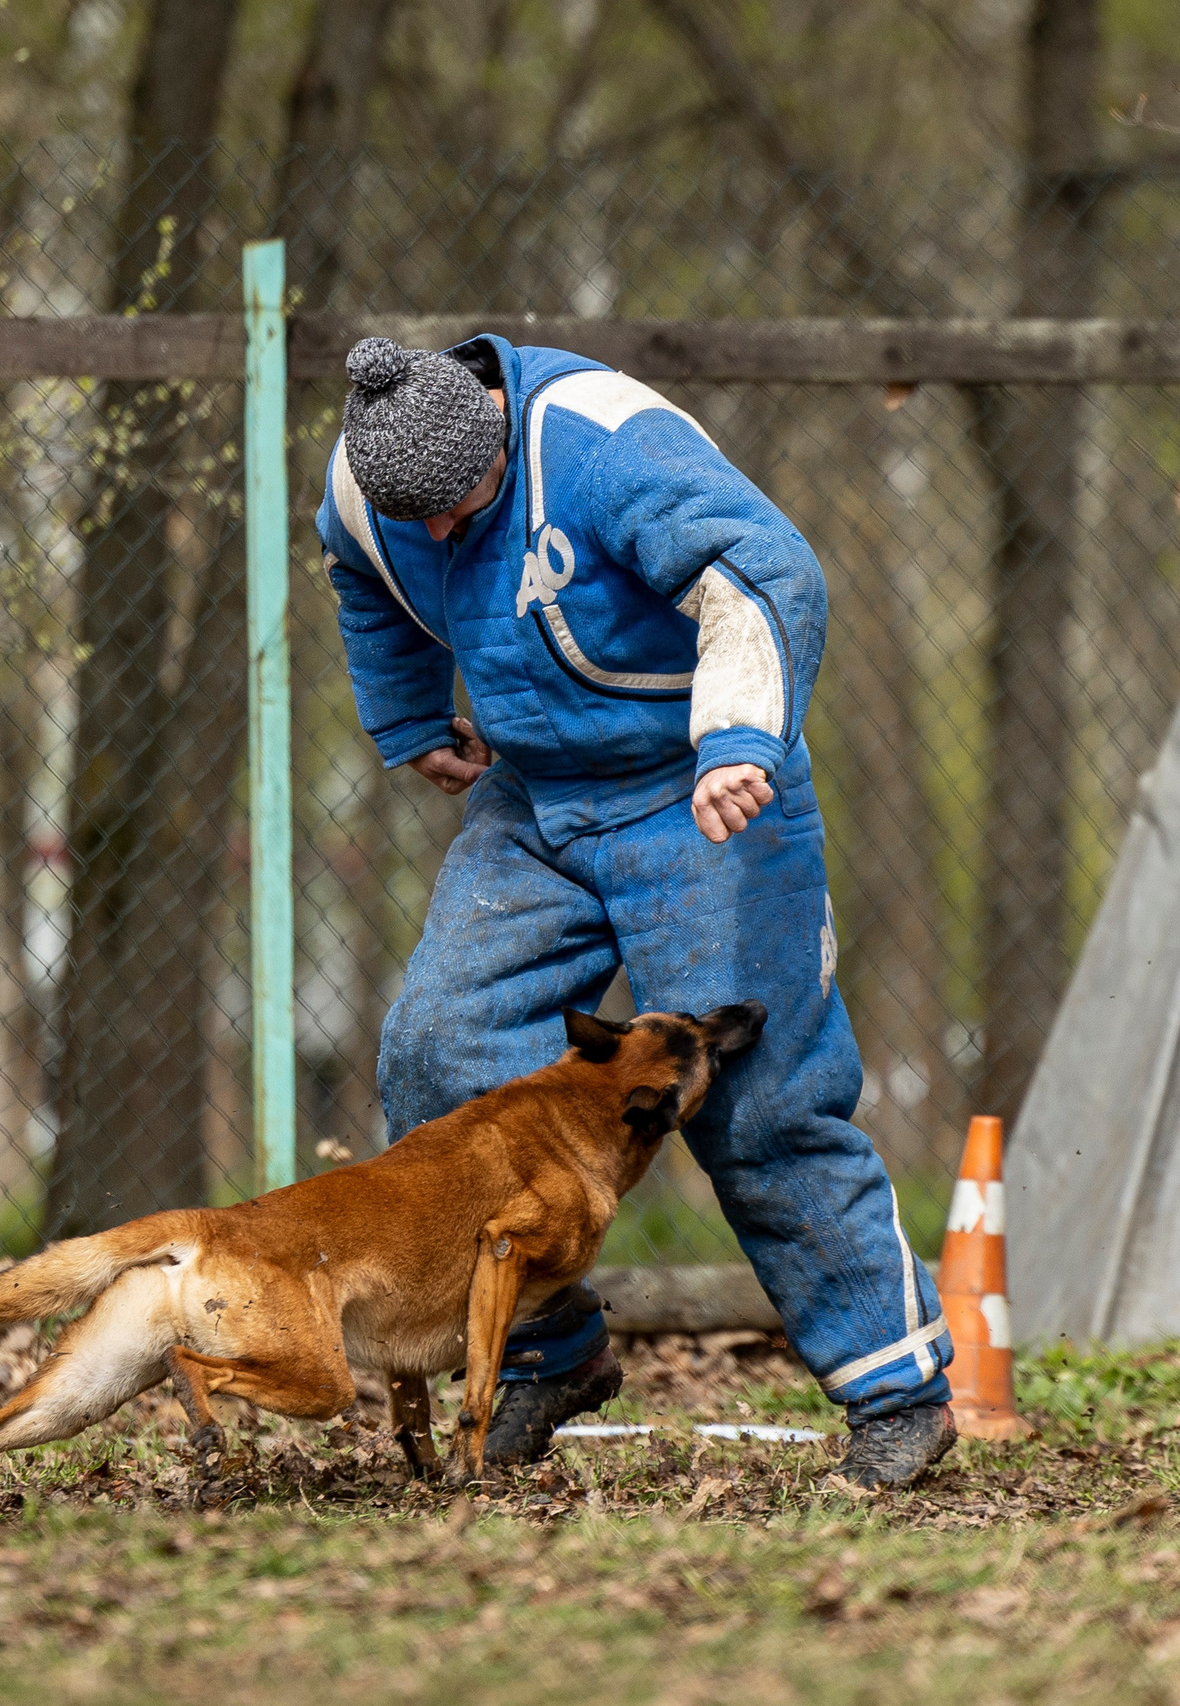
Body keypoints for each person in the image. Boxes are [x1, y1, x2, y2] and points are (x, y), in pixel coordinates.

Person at [313, 334, 957, 1489]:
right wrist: (407, 718)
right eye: (421, 520)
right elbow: (360, 579)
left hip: (699, 783)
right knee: (440, 1051)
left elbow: (763, 569)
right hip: (535, 797)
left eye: (462, 504)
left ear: (496, 432)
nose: (442, 532)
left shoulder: (607, 444)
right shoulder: (370, 488)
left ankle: (897, 1392)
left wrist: (739, 738)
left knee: (754, 1098)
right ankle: (545, 1353)